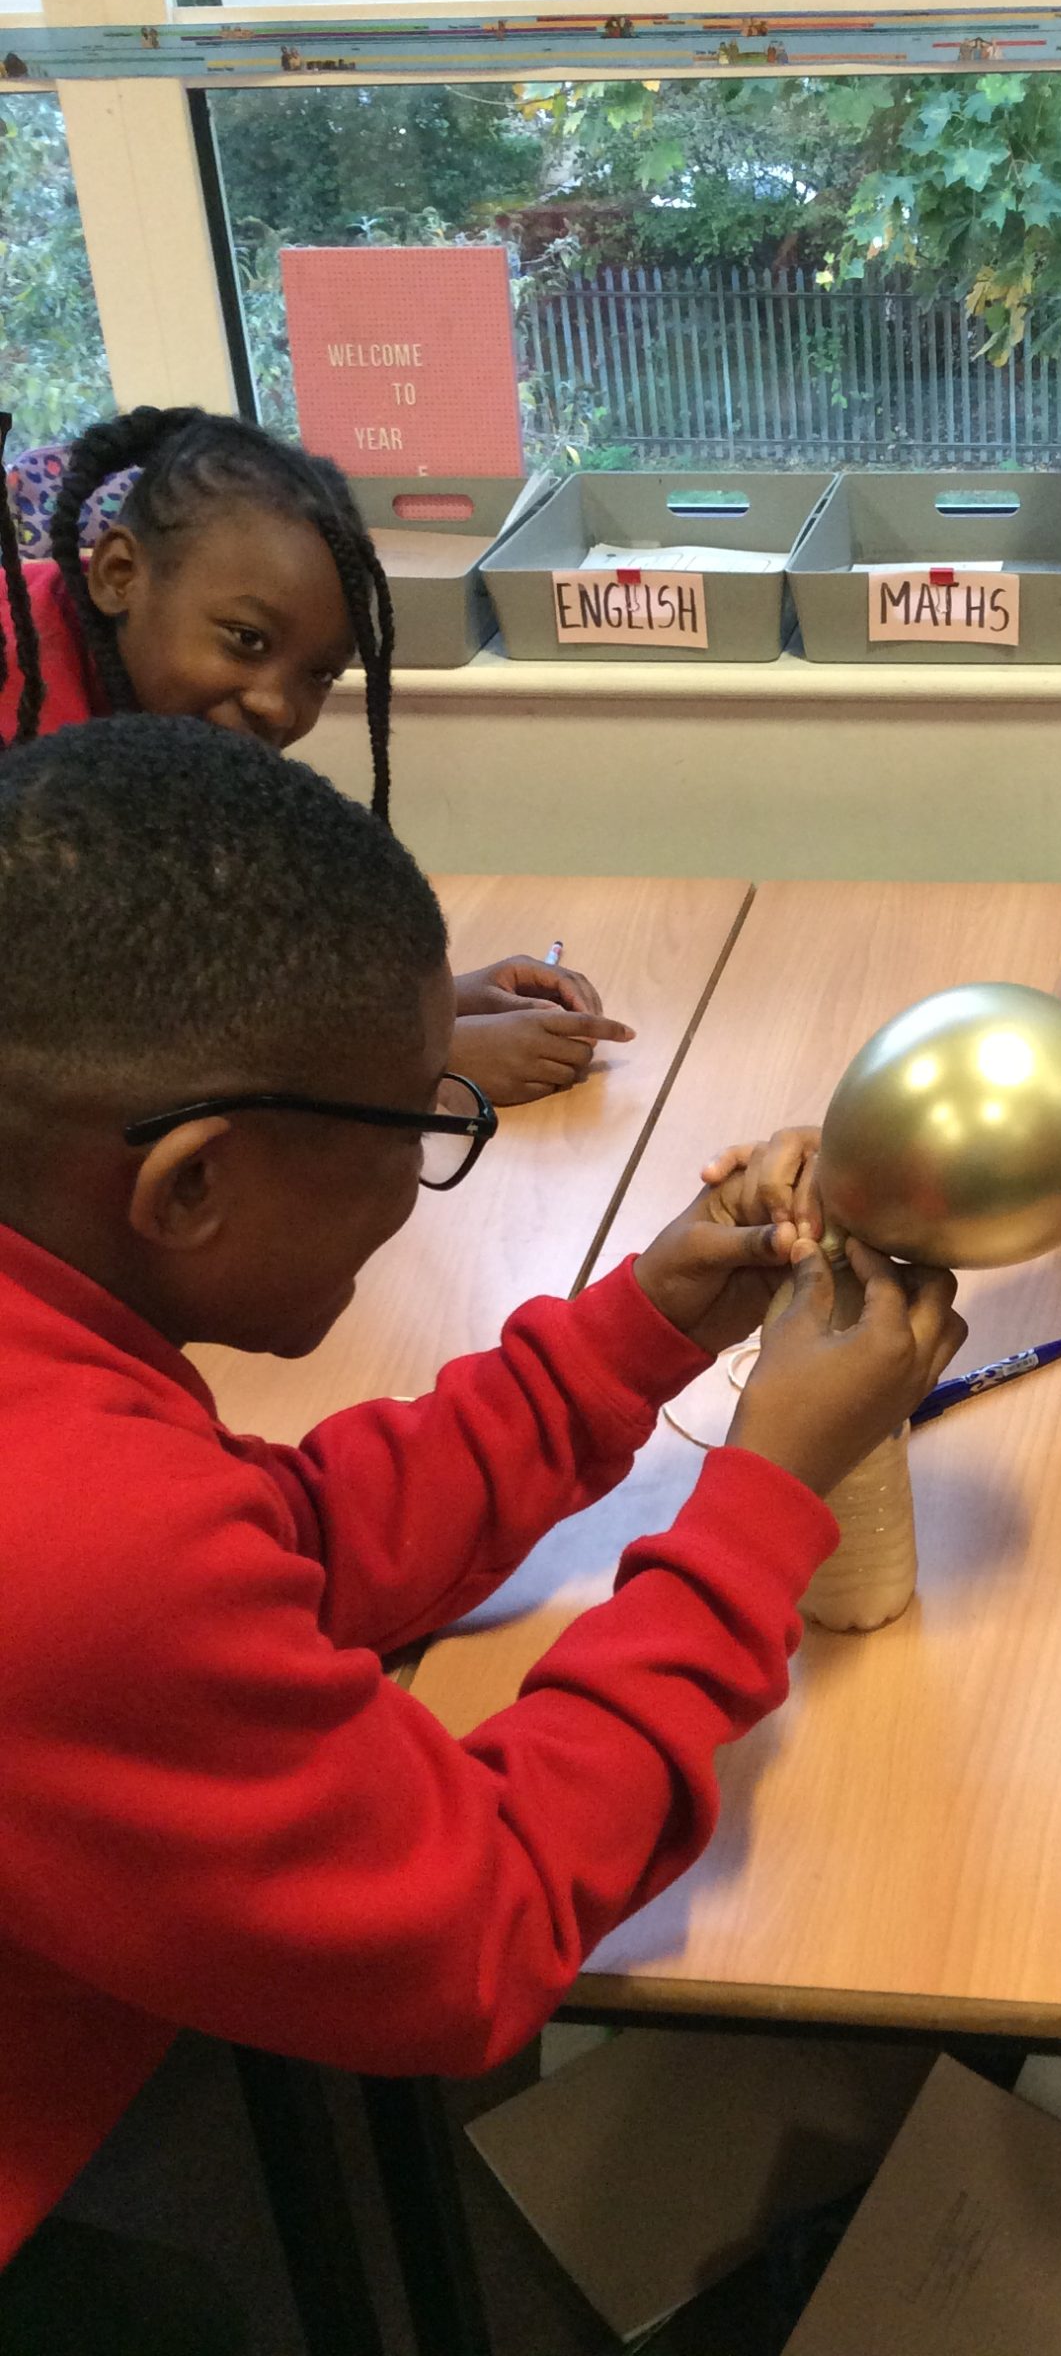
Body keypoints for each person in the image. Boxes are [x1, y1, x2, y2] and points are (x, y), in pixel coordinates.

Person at [0, 715, 964, 2332]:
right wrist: (764, 1500)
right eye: (422, 1127)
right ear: (190, 1186)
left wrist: (643, 1326)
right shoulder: (76, 1538)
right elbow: (477, 1934)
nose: (426, 1165)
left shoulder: (63, 1379)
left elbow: (277, 1543)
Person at [0, 403, 633, 1103]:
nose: (277, 705)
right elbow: (69, 1040)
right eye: (246, 639)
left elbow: (186, 975)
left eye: (319, 674)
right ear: (120, 574)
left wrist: (428, 1006)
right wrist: (416, 1062)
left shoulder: (168, 728)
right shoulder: (25, 740)